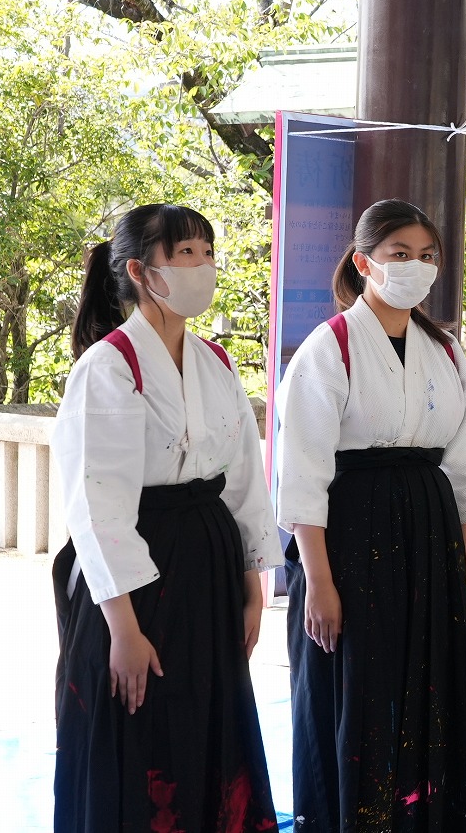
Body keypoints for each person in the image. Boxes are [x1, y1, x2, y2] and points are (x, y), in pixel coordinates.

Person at [276, 200, 466, 830]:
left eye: (426, 256)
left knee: (431, 685)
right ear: (363, 263)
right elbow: (302, 471)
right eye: (399, 254)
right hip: (351, 532)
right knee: (362, 685)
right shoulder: (330, 347)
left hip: (432, 531)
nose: (415, 266)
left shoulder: (445, 350)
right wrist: (317, 582)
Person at [51, 204, 279, 831]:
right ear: (140, 270)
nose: (201, 266)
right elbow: (97, 503)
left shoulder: (216, 362)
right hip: (137, 577)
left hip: (209, 566)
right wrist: (123, 630)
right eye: (184, 254)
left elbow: (244, 479)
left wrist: (253, 586)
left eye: (207, 253)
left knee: (208, 726)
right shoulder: (108, 366)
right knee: (139, 729)